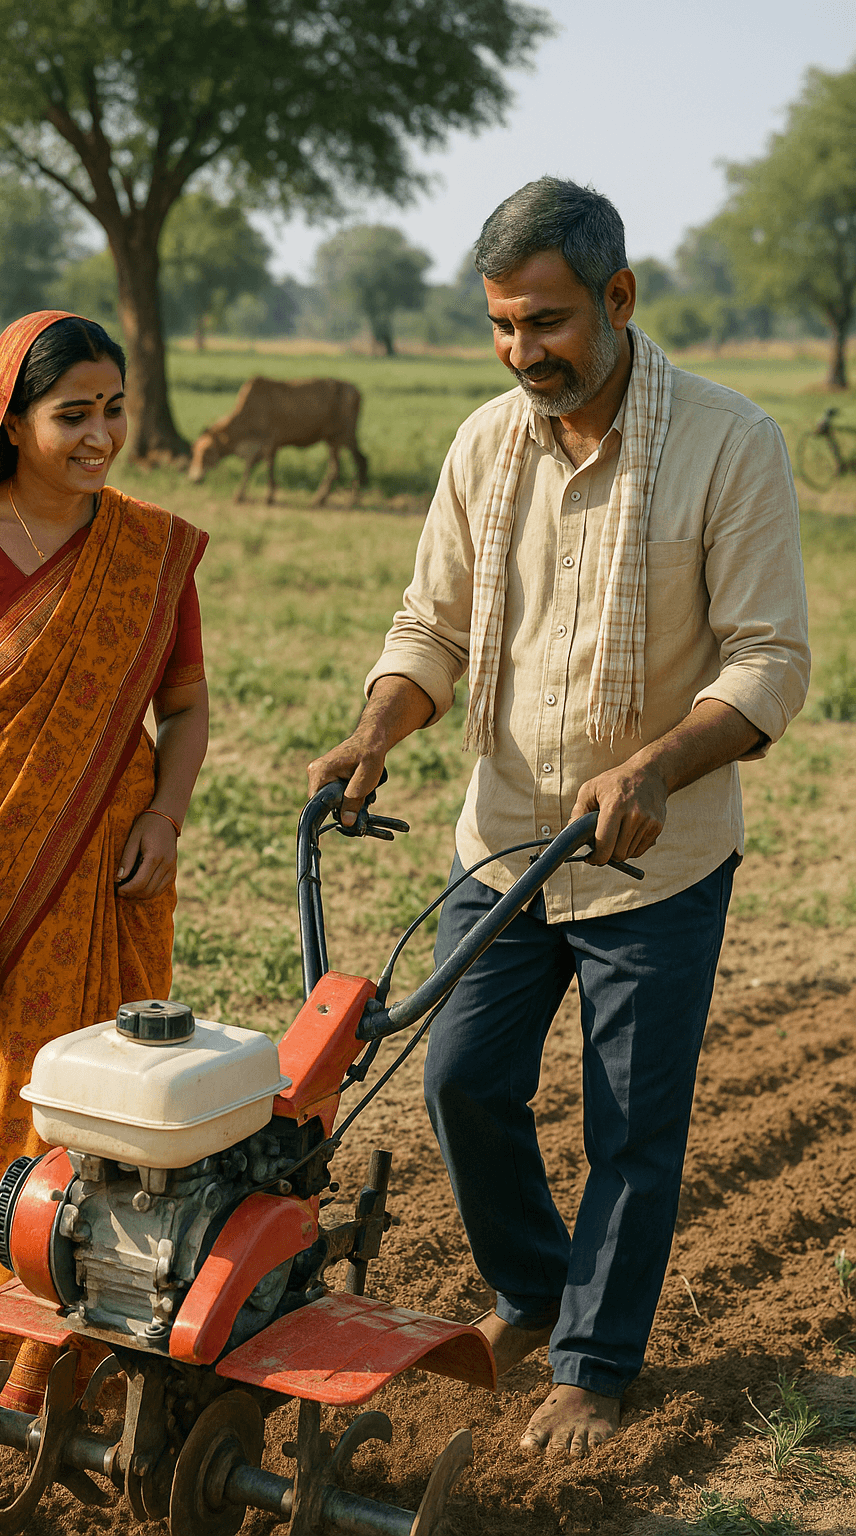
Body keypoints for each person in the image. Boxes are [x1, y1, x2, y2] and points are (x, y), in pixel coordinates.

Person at [308, 180, 809, 1460]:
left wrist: (656, 766)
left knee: (629, 1121)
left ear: (617, 299)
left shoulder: (727, 441)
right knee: (460, 1078)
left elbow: (766, 662)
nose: (523, 353)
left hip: (658, 859)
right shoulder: (485, 444)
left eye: (544, 323)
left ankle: (592, 1359)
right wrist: (377, 726)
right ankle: (537, 1289)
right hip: (506, 840)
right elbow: (434, 625)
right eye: (500, 327)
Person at [0, 311, 209, 1429]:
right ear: (9, 422)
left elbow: (187, 705)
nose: (101, 434)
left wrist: (166, 813)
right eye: (74, 414)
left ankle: (91, 1365)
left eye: (113, 409)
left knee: (102, 1116)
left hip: (110, 877)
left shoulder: (152, 549)